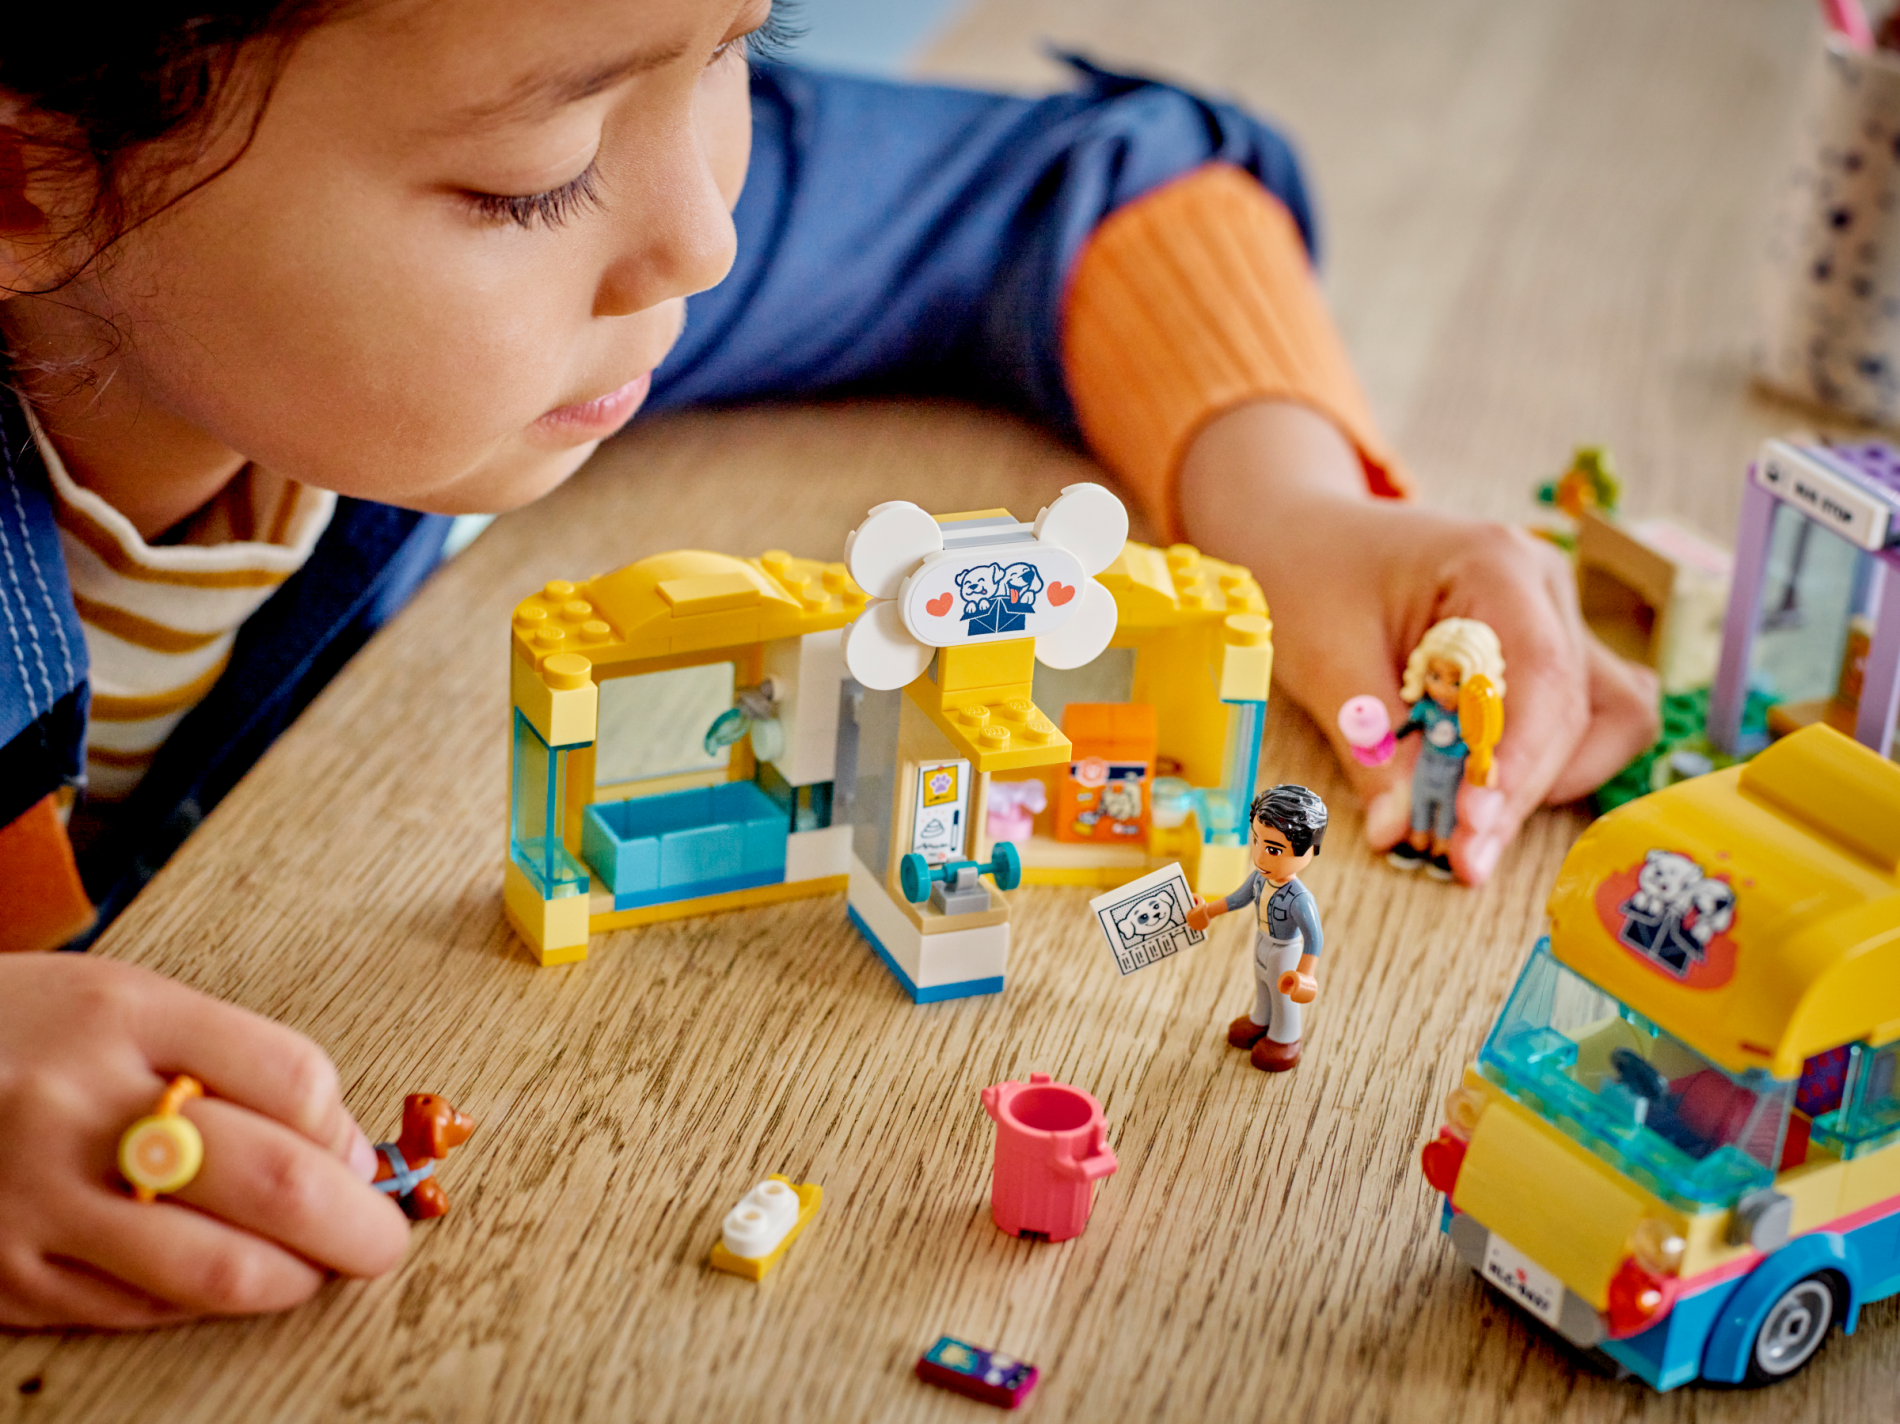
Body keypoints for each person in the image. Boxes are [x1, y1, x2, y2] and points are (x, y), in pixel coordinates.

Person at [0, 0, 1658, 1327]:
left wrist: (1293, 508)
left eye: (745, 43)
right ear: (27, 179)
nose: (704, 237)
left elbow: (1083, 183)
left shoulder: (520, 199)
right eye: (533, 177)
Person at [1185, 784, 1329, 1073]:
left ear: (1310, 850)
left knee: (1283, 996)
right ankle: (1261, 1020)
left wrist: (1305, 974)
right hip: (1261, 941)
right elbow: (1237, 899)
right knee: (1262, 986)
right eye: (1257, 841)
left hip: (1285, 952)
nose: (1260, 857)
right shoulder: (1260, 879)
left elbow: (1314, 939)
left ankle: (1285, 1037)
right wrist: (1207, 912)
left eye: (1274, 850)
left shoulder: (1300, 899)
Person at [1384, 617, 1506, 880]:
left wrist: (1483, 765)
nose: (1443, 689)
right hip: (1425, 764)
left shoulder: (1469, 719)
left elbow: (1481, 744)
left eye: (1456, 682)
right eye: (1435, 676)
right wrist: (1387, 740)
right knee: (1419, 802)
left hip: (1453, 771)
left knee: (1449, 810)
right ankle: (1417, 841)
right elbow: (1408, 727)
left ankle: (1441, 848)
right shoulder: (1426, 709)